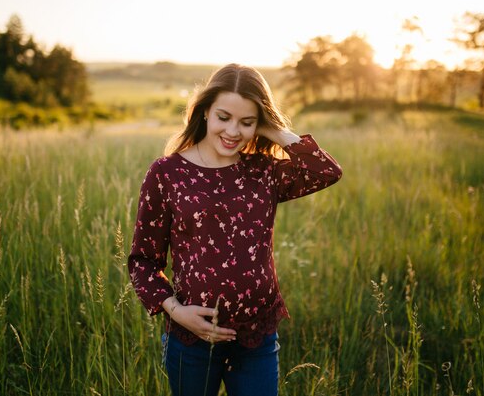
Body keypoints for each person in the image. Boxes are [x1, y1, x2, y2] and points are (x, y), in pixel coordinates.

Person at [128, 63, 342, 396]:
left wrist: (273, 129)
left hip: (256, 336)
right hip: (191, 338)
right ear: (204, 112)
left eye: (247, 122)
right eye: (223, 117)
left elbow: (325, 170)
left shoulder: (263, 171)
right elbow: (143, 261)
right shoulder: (167, 173)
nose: (232, 132)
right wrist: (176, 311)